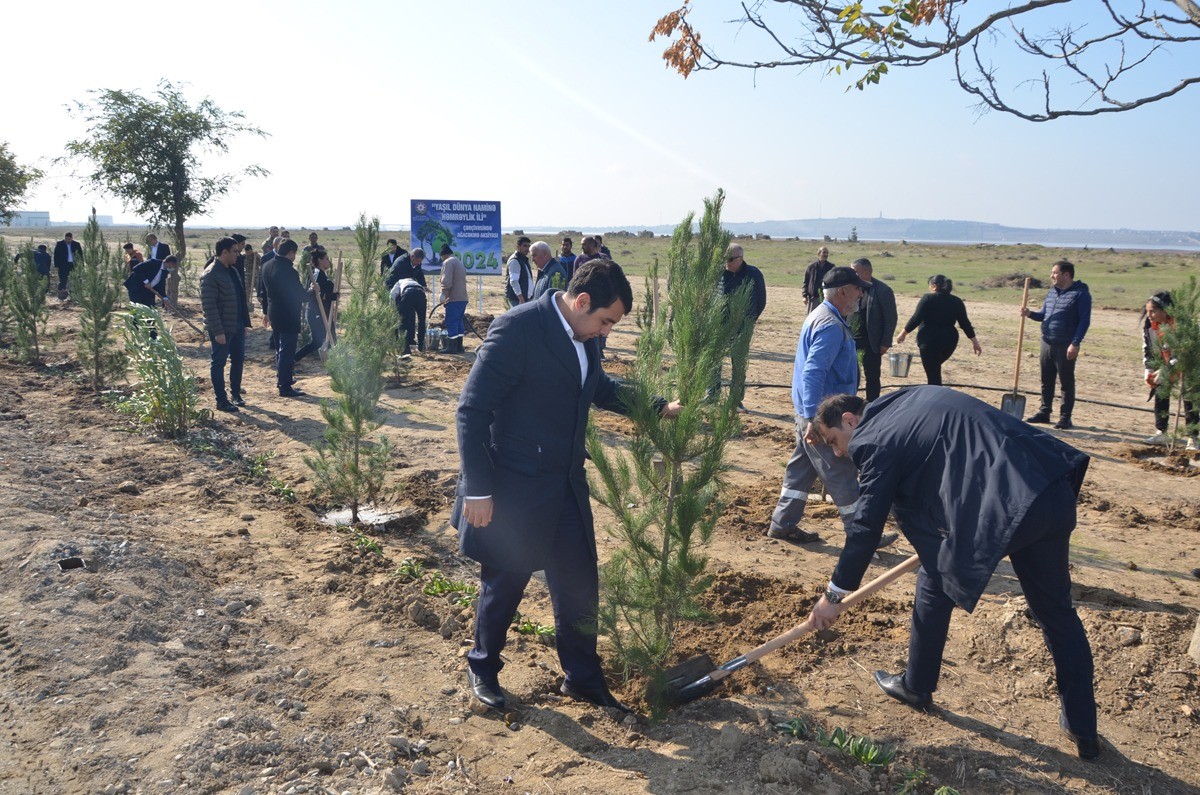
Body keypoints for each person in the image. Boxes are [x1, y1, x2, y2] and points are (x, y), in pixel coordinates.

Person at [807, 387, 1099, 760]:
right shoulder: (911, 397)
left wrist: (834, 596)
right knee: (1057, 614)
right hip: (1049, 488)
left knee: (934, 579)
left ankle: (916, 686)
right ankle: (1083, 727)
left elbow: (865, 528)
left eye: (834, 440)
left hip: (1008, 504)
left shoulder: (872, 439)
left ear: (850, 420)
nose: (838, 452)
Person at [452, 259, 682, 714]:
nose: (606, 332)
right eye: (605, 321)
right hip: (515, 488)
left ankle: (581, 678)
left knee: (579, 584)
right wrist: (478, 489)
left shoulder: (584, 335)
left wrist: (656, 406)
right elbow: (472, 410)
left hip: (566, 485)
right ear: (581, 302)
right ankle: (483, 668)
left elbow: (598, 387)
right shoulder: (517, 330)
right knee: (505, 583)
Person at [768, 266, 896, 549]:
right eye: (858, 289)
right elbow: (813, 371)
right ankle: (863, 535)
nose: (861, 295)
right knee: (842, 472)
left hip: (811, 413)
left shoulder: (821, 316)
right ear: (842, 292)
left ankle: (783, 524)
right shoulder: (830, 325)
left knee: (801, 470)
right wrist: (817, 418)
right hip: (825, 417)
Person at [1023, 260, 1092, 430]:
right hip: (1047, 341)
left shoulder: (1081, 294)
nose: (1051, 276)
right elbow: (1044, 315)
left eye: (1054, 273)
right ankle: (1044, 412)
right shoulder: (1052, 293)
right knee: (1046, 379)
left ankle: (1065, 417)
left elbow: (1084, 321)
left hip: (1065, 344)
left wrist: (1075, 343)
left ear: (1066, 275)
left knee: (1066, 382)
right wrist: (1030, 314)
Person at [895, 275, 981, 386]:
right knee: (934, 369)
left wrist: (902, 334)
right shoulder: (957, 301)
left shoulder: (927, 298)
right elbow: (965, 323)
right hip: (949, 341)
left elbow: (916, 319)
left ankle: (934, 397)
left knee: (933, 375)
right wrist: (975, 342)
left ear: (934, 286)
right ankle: (934, 391)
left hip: (929, 341)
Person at [710, 243, 767, 406]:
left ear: (741, 259)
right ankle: (712, 395)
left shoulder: (753, 274)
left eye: (730, 259)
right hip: (719, 325)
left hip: (742, 326)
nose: (726, 262)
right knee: (713, 360)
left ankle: (736, 400)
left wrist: (749, 321)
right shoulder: (718, 273)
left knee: (739, 363)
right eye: (724, 258)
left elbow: (761, 300)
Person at [1141, 291, 1198, 449]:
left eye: (1152, 311)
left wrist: (1167, 368)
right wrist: (1149, 369)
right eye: (1147, 311)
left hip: (1191, 363)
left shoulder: (1182, 325)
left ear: (1164, 310)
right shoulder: (1149, 325)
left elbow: (1185, 351)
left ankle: (1193, 437)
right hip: (1168, 362)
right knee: (1161, 390)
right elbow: (1148, 348)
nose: (1149, 315)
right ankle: (1162, 432)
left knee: (1189, 396)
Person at [200, 238, 252, 412]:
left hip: (236, 325)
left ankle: (235, 394)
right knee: (219, 363)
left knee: (238, 359)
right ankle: (221, 400)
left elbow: (240, 298)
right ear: (224, 252)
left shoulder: (232, 271)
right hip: (222, 328)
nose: (239, 254)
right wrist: (218, 331)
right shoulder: (211, 274)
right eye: (235, 251)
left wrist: (245, 322)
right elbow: (209, 306)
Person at [261, 239, 309, 397]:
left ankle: (283, 378)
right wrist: (312, 292)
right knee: (287, 351)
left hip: (274, 312)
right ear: (290, 253)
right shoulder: (288, 271)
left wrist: (266, 311)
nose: (295, 257)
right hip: (288, 314)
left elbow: (264, 292)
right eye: (294, 254)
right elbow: (299, 295)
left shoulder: (267, 265)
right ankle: (285, 386)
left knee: (279, 350)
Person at [850, 258, 898, 402]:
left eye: (854, 272)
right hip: (852, 340)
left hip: (873, 342)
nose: (851, 274)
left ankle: (872, 405)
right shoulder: (851, 288)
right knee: (850, 375)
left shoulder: (883, 290)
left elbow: (890, 319)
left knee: (872, 376)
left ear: (865, 273)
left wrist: (885, 342)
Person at [295, 249, 337, 363]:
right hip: (317, 313)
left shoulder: (321, 273)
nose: (328, 261)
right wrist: (328, 296)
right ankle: (293, 359)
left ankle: (334, 363)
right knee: (318, 341)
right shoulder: (317, 275)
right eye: (326, 259)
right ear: (320, 260)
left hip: (325, 312)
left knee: (331, 338)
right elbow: (313, 295)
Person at [438, 244, 468, 353]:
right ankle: (459, 346)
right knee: (459, 321)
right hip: (463, 298)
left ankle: (451, 348)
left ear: (443, 255)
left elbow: (447, 280)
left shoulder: (448, 262)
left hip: (454, 298)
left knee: (451, 321)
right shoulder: (458, 262)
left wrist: (443, 294)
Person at [391, 276, 427, 358]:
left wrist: (392, 309)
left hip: (408, 293)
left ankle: (406, 348)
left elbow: (392, 295)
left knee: (402, 321)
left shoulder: (399, 281)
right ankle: (421, 346)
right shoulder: (415, 283)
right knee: (422, 321)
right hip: (421, 294)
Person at [802, 246, 835, 313]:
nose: (826, 254)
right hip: (813, 298)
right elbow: (806, 282)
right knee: (811, 317)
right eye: (824, 252)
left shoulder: (831, 267)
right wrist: (805, 296)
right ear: (819, 253)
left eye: (827, 253)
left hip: (826, 298)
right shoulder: (811, 267)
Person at [505, 236, 534, 308]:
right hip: (517, 300)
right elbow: (514, 281)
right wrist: (521, 298)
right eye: (524, 246)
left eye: (528, 246)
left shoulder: (523, 259)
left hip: (524, 299)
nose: (527, 249)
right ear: (518, 246)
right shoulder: (515, 260)